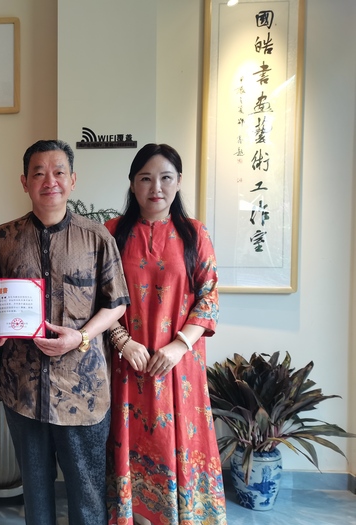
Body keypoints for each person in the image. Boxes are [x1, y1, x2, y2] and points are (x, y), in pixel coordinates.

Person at [0, 139, 129, 525]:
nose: (49, 181)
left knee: (87, 495)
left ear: (73, 179)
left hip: (82, 392)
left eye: (58, 172)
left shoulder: (97, 237)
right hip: (23, 390)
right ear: (24, 182)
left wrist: (81, 337)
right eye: (38, 173)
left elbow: (117, 303)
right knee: (35, 494)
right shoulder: (3, 239)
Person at [105, 143, 227, 524]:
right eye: (145, 178)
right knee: (129, 444)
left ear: (179, 182)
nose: (155, 187)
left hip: (179, 369)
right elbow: (95, 299)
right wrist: (122, 342)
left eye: (165, 178)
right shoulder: (111, 233)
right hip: (128, 366)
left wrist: (179, 346)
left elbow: (209, 298)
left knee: (178, 444)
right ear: (132, 184)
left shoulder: (194, 234)